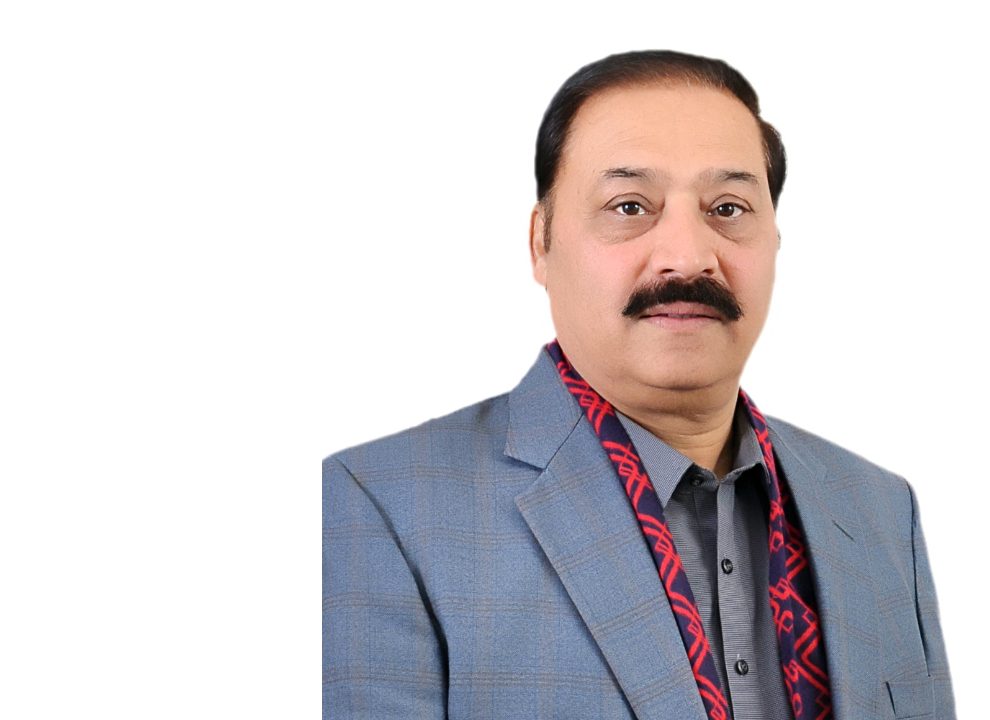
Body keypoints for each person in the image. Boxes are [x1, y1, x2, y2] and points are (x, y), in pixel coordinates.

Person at [324, 50, 955, 720]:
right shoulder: (379, 507)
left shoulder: (881, 512)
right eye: (629, 206)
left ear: (775, 240)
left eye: (728, 207)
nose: (687, 257)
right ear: (541, 243)